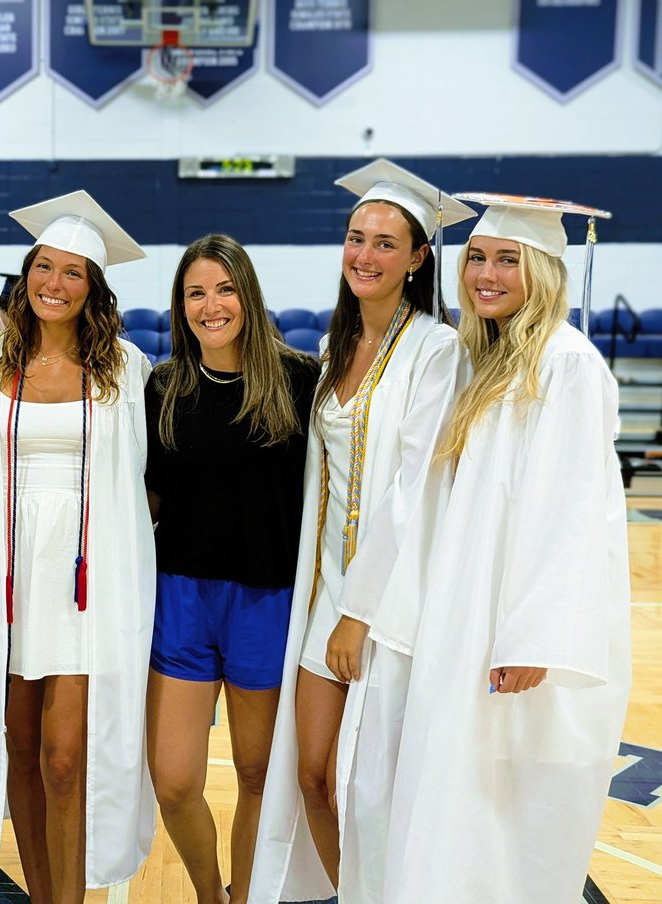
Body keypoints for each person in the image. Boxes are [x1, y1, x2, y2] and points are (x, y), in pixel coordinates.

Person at [380, 196, 631, 903]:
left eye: (507, 260)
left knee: (509, 812)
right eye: (479, 258)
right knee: (452, 797)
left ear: (545, 269)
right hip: (464, 619)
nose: (487, 274)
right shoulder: (480, 360)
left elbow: (569, 509)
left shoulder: (565, 363)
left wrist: (533, 636)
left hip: (514, 631)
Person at [251, 160, 475, 904]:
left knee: (369, 787)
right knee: (312, 772)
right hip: (325, 594)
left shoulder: (435, 352)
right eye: (355, 238)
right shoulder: (331, 350)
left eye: (385, 243)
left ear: (418, 259)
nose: (365, 256)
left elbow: (416, 490)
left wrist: (360, 610)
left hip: (390, 604)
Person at [0, 191, 156, 903]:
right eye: (44, 266)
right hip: (8, 580)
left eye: (73, 273)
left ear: (94, 288)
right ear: (25, 274)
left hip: (85, 585)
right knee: (22, 756)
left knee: (65, 758)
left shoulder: (124, 370)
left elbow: (145, 480)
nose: (54, 284)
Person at [144, 234, 319, 904]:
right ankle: (209, 894)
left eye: (224, 289)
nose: (210, 305)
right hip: (183, 599)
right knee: (175, 781)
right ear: (180, 304)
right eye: (195, 292)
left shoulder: (300, 381)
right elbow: (149, 501)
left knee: (255, 774)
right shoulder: (164, 387)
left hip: (266, 602)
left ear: (247, 293)